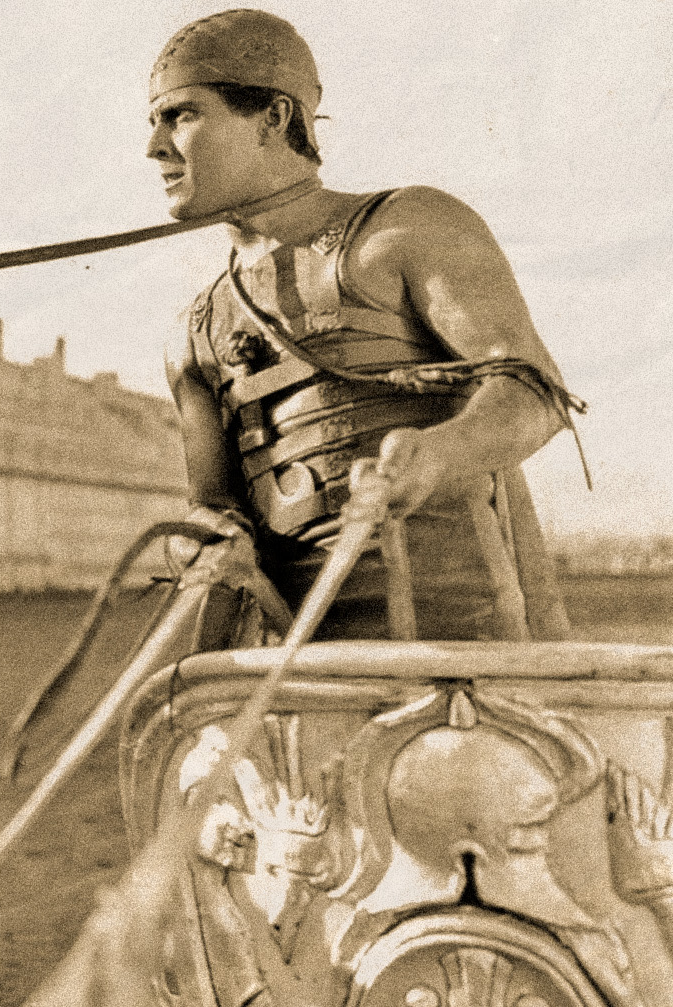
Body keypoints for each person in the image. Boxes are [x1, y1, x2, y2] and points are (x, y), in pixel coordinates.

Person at [150, 9, 579, 641]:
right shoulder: (193, 330)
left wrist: (436, 455)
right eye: (154, 121)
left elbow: (536, 390)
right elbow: (215, 504)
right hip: (300, 672)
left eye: (182, 115)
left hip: (467, 668)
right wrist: (211, 539)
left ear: (274, 118)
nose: (156, 147)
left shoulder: (405, 229)